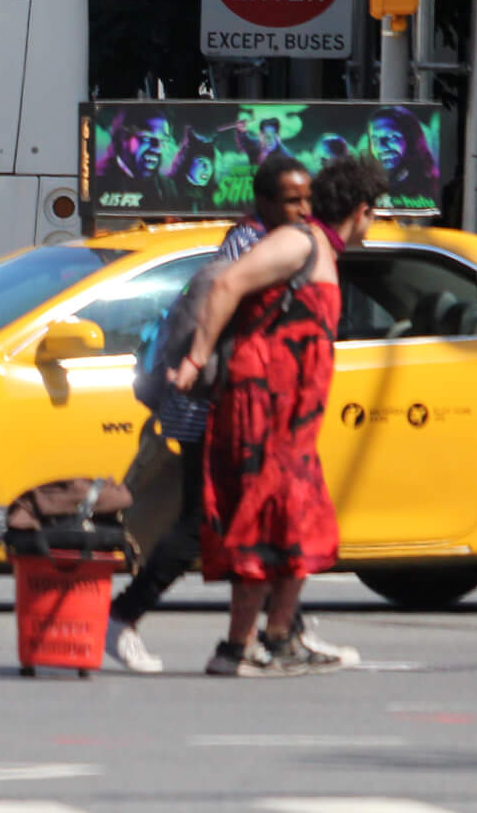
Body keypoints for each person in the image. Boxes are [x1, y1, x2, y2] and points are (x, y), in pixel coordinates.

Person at [172, 155, 385, 676]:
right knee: (262, 519)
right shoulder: (299, 242)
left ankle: (278, 638)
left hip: (291, 413)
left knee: (301, 522)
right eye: (374, 214)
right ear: (361, 211)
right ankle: (235, 649)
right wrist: (197, 357)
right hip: (261, 402)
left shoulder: (319, 249)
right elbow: (227, 285)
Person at [105, 154, 312, 675]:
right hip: (214, 407)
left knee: (246, 520)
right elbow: (236, 322)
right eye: (292, 201)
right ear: (263, 203)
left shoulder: (275, 243)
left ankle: (283, 631)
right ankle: (122, 615)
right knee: (205, 522)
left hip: (229, 404)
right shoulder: (252, 247)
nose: (303, 211)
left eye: (307, 201)